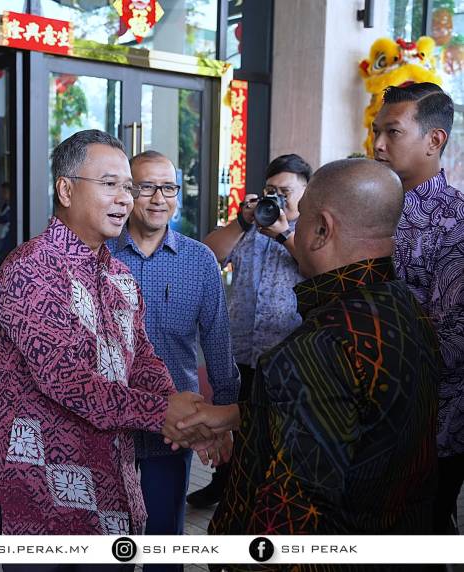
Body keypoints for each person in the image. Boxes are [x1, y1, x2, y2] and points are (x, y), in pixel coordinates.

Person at [175, 159, 440, 558]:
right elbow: (355, 416)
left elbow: (293, 515)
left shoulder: (320, 344)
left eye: (301, 217)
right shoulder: (408, 309)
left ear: (321, 229)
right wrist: (239, 414)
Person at [0, 130, 206, 572]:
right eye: (109, 184)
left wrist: (183, 410)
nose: (125, 199)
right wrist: (165, 413)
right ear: (66, 190)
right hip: (38, 494)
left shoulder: (119, 276)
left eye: (128, 186)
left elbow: (142, 359)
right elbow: (68, 381)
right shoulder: (30, 269)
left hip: (109, 488)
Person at [107, 150, 240, 566]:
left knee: (165, 538)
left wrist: (223, 418)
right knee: (108, 536)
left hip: (176, 423)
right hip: (111, 423)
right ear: (128, 192)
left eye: (168, 188)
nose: (158, 198)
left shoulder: (199, 260)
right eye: (146, 187)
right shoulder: (100, 255)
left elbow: (218, 342)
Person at [189, 154, 311, 508]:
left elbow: (317, 268)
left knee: (275, 428)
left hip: (286, 351)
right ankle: (223, 485)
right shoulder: (250, 228)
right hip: (241, 347)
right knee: (232, 420)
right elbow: (207, 256)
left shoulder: (311, 231)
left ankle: (265, 499)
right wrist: (242, 221)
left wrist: (285, 234)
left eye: (285, 192)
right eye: (271, 191)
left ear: (306, 191)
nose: (277, 199)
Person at [373, 82, 464, 534]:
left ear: (434, 140)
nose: (377, 144)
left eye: (392, 132)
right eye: (375, 131)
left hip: (431, 426)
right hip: (365, 414)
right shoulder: (370, 206)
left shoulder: (455, 223)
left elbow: (451, 343)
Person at [0, 181, 15, 264]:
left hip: (7, 237)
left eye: (5, 192)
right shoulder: (4, 205)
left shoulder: (13, 206)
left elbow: (3, 218)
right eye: (2, 192)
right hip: (1, 236)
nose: (2, 194)